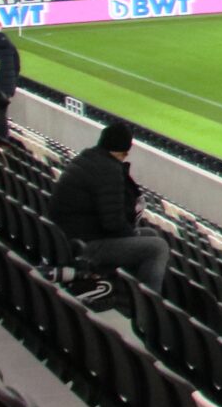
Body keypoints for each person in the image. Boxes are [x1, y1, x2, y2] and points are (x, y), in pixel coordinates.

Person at [47, 121, 170, 304]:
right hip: (84, 245)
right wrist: (131, 234)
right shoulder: (109, 170)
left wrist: (132, 234)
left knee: (149, 234)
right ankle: (149, 307)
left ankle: (129, 292)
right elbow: (112, 223)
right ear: (123, 151)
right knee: (157, 247)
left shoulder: (87, 158)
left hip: (69, 236)